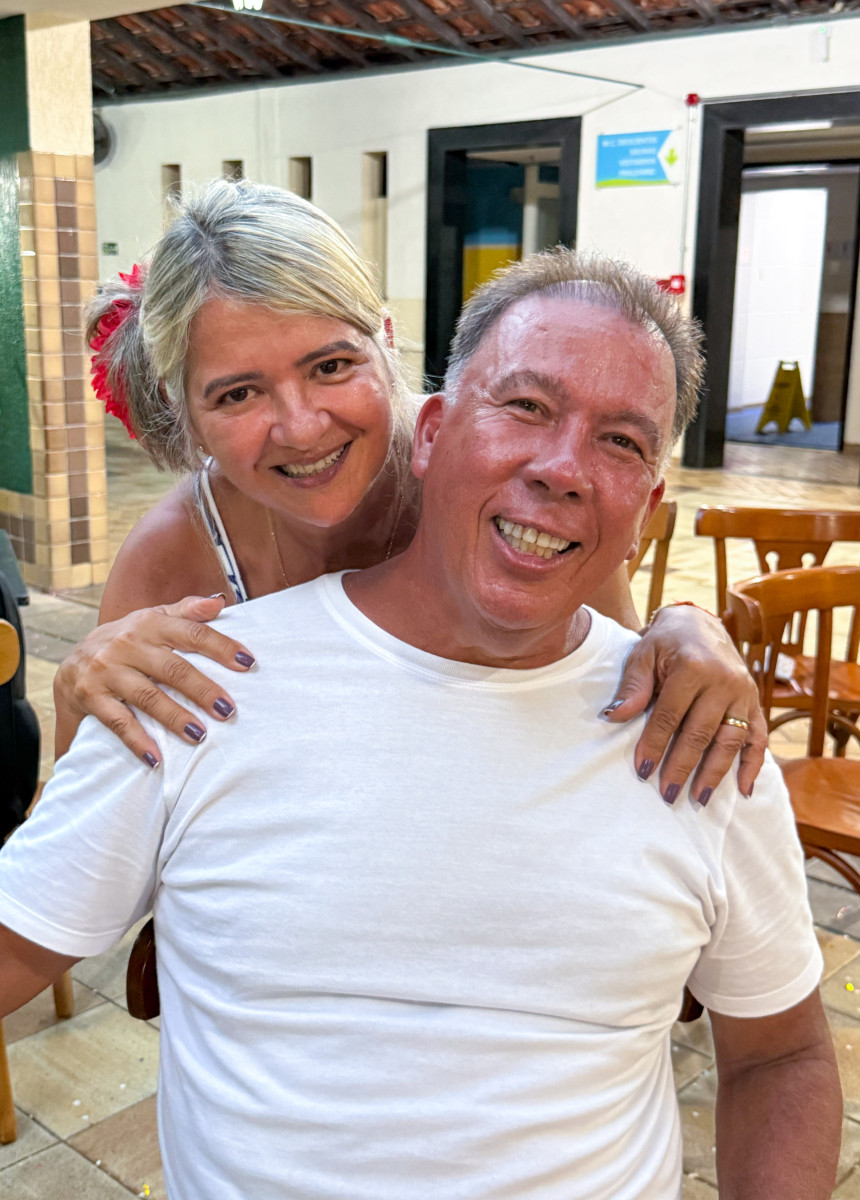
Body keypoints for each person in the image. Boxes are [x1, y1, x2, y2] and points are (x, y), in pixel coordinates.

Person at [0, 248, 840, 1199]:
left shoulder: (691, 726)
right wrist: (86, 688)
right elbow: (34, 918)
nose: (562, 468)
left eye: (620, 440)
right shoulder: (191, 670)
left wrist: (688, 625)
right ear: (434, 433)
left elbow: (782, 1054)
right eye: (526, 406)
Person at [53, 179, 764, 805]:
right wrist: (77, 688)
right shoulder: (173, 555)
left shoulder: (489, 476)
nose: (302, 428)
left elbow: (605, 672)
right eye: (238, 393)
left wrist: (683, 631)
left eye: (331, 366)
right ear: (183, 410)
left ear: (387, 342)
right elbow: (84, 820)